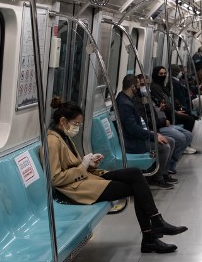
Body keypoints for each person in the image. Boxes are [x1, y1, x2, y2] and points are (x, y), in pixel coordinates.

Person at [46, 98, 187, 253]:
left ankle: (154, 226)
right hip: (76, 189)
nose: (77, 128)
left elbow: (74, 166)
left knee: (135, 174)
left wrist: (90, 164)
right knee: (136, 187)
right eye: (76, 124)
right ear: (63, 121)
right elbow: (55, 178)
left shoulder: (63, 137)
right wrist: (83, 166)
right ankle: (151, 233)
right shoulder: (52, 141)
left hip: (85, 179)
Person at [116, 74, 175, 188]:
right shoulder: (124, 104)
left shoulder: (126, 99)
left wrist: (154, 134)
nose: (139, 88)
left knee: (171, 141)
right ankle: (158, 178)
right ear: (133, 87)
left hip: (138, 136)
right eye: (138, 85)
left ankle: (163, 173)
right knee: (165, 147)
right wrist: (153, 136)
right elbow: (133, 129)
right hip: (132, 142)